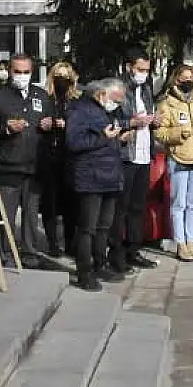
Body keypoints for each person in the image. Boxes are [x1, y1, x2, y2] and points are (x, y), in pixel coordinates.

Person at [0, 53, 53, 265]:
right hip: (8, 166)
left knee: (31, 215)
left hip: (35, 166)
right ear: (9, 71)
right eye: (17, 71)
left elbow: (51, 121)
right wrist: (5, 128)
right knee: (7, 214)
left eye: (26, 72)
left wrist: (50, 125)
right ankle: (6, 253)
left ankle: (30, 252)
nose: (22, 76)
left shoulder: (41, 96)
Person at [65, 78, 128, 290]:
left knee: (104, 226)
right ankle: (85, 271)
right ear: (101, 94)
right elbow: (74, 143)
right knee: (87, 229)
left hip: (110, 177)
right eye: (115, 99)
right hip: (90, 178)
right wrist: (103, 137)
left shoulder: (107, 111)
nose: (117, 104)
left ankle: (100, 263)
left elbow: (111, 137)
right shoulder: (80, 111)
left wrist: (121, 137)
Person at [154, 64, 193, 262]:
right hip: (179, 158)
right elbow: (159, 132)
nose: (189, 81)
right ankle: (180, 243)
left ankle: (191, 242)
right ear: (176, 80)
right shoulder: (167, 104)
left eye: (192, 77)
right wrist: (177, 134)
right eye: (184, 77)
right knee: (178, 203)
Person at [109, 49, 159, 270]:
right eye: (140, 69)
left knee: (138, 206)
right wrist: (132, 123)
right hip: (125, 154)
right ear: (129, 67)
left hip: (143, 153)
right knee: (121, 207)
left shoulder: (146, 89)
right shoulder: (119, 88)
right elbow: (112, 118)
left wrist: (153, 120)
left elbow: (148, 115)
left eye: (147, 70)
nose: (144, 74)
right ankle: (116, 252)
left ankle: (133, 249)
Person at [41, 61, 81, 257]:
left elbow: (81, 124)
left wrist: (68, 124)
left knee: (70, 204)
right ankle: (52, 243)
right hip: (49, 157)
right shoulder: (46, 98)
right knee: (50, 203)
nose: (62, 81)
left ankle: (70, 242)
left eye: (66, 77)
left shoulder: (75, 100)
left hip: (70, 157)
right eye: (59, 76)